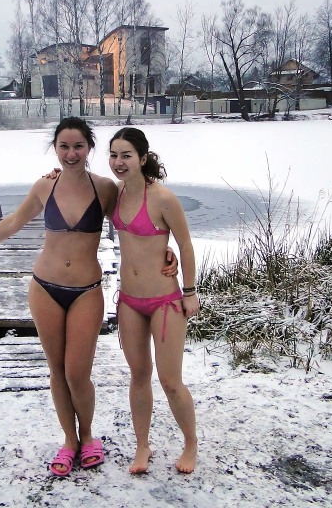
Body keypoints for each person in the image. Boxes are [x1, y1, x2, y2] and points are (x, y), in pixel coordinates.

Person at [0, 117, 118, 477]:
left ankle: (88, 434)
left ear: (89, 147)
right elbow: (13, 221)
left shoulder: (106, 189)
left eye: (78, 146)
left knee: (78, 373)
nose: (71, 153)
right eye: (64, 146)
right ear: (55, 148)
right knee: (57, 371)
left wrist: (163, 254)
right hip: (45, 287)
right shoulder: (45, 187)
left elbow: (135, 224)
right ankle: (69, 441)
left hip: (86, 291)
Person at [108, 127, 200, 475]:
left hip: (165, 302)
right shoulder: (114, 194)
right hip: (130, 301)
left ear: (143, 159)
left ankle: (190, 442)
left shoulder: (163, 198)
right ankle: (142, 446)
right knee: (139, 375)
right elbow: (79, 185)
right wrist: (55, 173)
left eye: (126, 155)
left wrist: (189, 292)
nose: (119, 162)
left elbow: (186, 244)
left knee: (170, 380)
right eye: (114, 155)